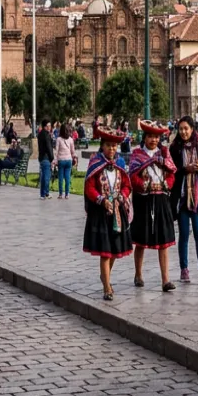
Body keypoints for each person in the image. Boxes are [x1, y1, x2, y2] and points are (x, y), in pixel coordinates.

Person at [83, 127, 133, 300]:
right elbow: (89, 187)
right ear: (102, 146)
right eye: (109, 146)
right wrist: (101, 199)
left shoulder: (119, 164)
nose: (112, 149)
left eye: (114, 146)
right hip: (101, 212)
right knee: (105, 251)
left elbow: (127, 184)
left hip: (117, 212)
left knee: (114, 251)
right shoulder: (95, 163)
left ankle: (105, 276)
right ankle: (107, 287)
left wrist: (122, 196)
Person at [128, 120, 177, 292]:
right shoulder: (137, 155)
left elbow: (171, 175)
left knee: (163, 241)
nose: (154, 140)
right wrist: (144, 185)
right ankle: (138, 274)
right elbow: (133, 177)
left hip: (161, 200)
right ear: (145, 137)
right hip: (144, 200)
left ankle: (165, 280)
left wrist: (166, 185)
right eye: (150, 137)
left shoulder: (164, 155)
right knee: (140, 240)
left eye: (156, 137)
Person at [169, 116, 198, 285]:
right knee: (184, 234)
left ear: (192, 129)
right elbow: (171, 171)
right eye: (181, 129)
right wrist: (185, 169)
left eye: (186, 128)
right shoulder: (175, 147)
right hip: (181, 198)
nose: (184, 132)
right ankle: (184, 269)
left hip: (197, 196)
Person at [55, 121, 77, 199]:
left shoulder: (58, 139)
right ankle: (67, 194)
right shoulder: (71, 139)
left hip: (61, 160)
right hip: (69, 160)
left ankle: (61, 194)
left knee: (60, 178)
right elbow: (73, 151)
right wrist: (74, 157)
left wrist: (55, 161)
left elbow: (56, 151)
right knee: (67, 177)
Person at [36, 120, 54, 200]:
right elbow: (49, 148)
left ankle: (45, 193)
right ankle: (44, 194)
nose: (50, 128)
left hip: (41, 157)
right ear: (45, 126)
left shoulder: (40, 134)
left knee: (43, 176)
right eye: (48, 126)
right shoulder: (46, 135)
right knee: (46, 177)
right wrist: (52, 158)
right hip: (46, 157)